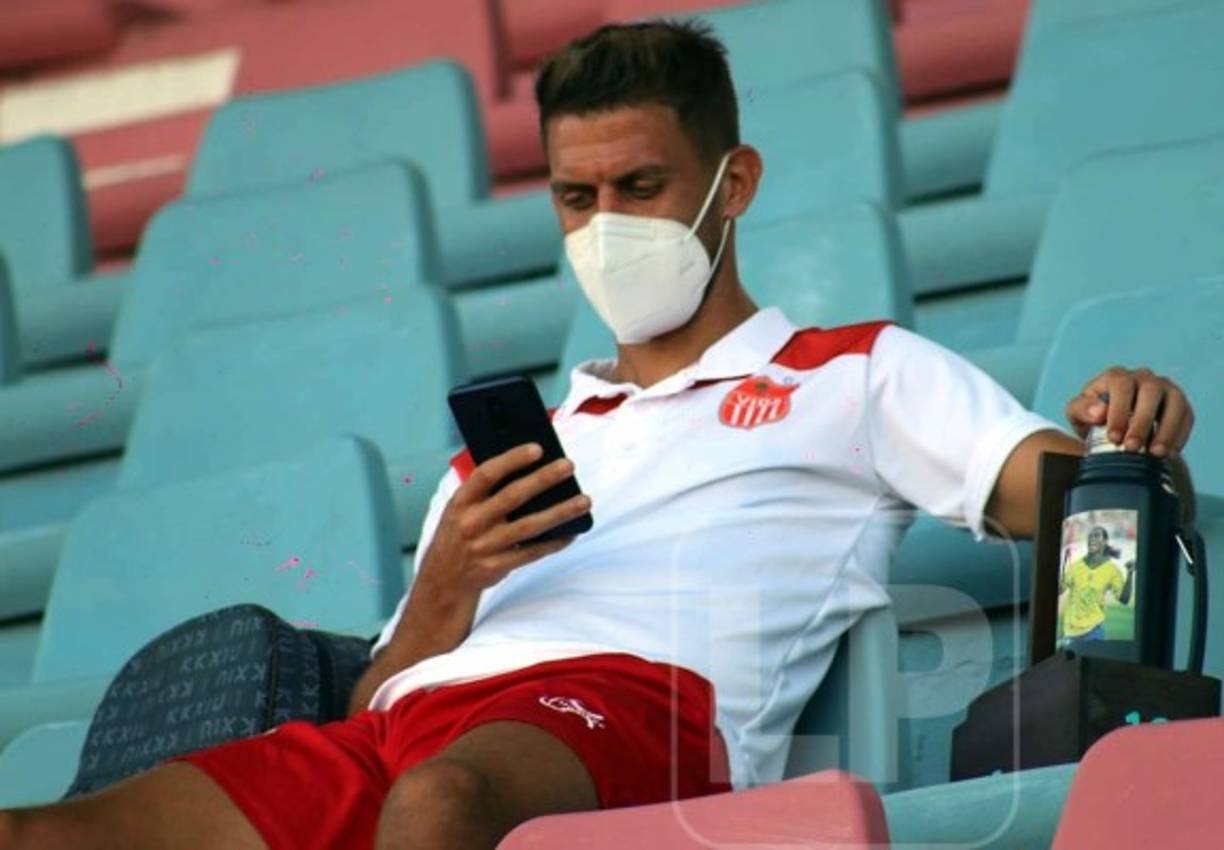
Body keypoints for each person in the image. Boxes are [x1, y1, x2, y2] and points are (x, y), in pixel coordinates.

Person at [0, 20, 1197, 850]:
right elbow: (379, 695)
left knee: (437, 807)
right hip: (414, 725)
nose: (606, 223)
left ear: (733, 184)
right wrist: (447, 590)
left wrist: (1130, 429)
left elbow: (1081, 493)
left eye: (641, 186)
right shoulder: (504, 453)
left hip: (647, 710)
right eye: (578, 197)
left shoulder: (852, 373)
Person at [1058, 526, 1135, 649]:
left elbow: (1124, 600)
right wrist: (1063, 564)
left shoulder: (1112, 570)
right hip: (1070, 633)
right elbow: (1059, 590)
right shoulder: (1076, 567)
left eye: (1096, 536)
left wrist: (1130, 574)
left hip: (1094, 633)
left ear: (1105, 541)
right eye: (1090, 536)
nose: (1092, 539)